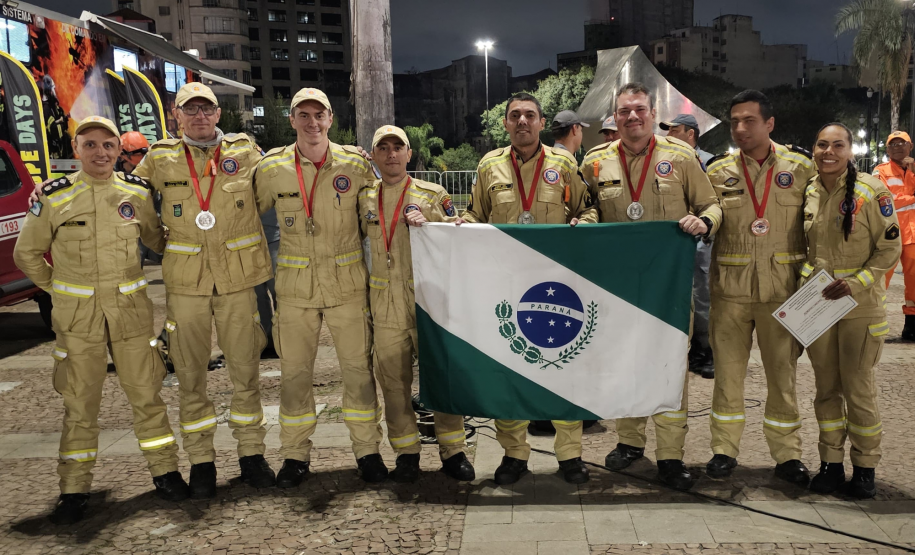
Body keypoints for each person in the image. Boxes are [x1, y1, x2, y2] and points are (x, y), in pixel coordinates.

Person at [14, 116, 188, 524]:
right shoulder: (54, 197)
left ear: (118, 151)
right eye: (90, 145)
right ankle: (74, 489)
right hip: (79, 319)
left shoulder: (136, 193)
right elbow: (27, 254)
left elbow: (156, 239)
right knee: (80, 404)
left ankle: (165, 472)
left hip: (129, 311)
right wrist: (58, 288)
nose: (100, 152)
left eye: (108, 145)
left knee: (147, 394)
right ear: (77, 150)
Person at [133, 83, 276, 497]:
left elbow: (275, 186)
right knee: (191, 376)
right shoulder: (159, 158)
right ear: (176, 115)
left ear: (218, 114)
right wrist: (170, 248)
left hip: (237, 280)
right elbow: (126, 196)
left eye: (207, 108)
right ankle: (202, 462)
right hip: (187, 284)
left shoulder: (245, 151)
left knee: (245, 373)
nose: (199, 116)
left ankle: (252, 456)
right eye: (190, 109)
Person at [580, 82, 722, 491]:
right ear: (615, 115)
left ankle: (672, 455)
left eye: (639, 109)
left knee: (671, 370)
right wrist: (585, 222)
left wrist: (705, 222)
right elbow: (585, 207)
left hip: (668, 288)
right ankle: (628, 442)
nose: (632, 117)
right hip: (617, 288)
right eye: (624, 111)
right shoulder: (595, 162)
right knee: (625, 365)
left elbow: (711, 204)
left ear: (652, 112)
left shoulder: (681, 156)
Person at [462, 92, 598, 485]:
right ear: (505, 124)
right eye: (515, 116)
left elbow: (588, 208)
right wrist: (462, 227)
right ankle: (514, 454)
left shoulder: (564, 163)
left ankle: (570, 455)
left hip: (556, 287)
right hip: (506, 289)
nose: (522, 121)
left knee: (564, 369)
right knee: (510, 373)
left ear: (541, 123)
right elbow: (475, 214)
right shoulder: (489, 166)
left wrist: (584, 226)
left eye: (530, 116)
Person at [253, 88, 385, 486]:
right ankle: (295, 456)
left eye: (319, 115)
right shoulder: (272, 167)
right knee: (294, 375)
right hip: (295, 289)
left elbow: (377, 217)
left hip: (347, 285)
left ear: (331, 119)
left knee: (358, 373)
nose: (312, 123)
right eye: (303, 115)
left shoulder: (357, 164)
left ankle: (368, 453)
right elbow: (245, 219)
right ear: (291, 119)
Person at [703, 89, 818, 485]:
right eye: (734, 121)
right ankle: (723, 451)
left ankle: (787, 455)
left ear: (769, 124)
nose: (739, 129)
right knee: (727, 377)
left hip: (783, 291)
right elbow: (704, 211)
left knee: (783, 378)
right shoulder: (718, 171)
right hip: (730, 291)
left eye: (749, 121)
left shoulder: (802, 166)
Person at [357, 124, 476, 483]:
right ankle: (406, 453)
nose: (391, 154)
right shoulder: (364, 197)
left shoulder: (432, 193)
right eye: (384, 148)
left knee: (441, 377)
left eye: (398, 147)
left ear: (409, 154)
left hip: (428, 300)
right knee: (393, 383)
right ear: (375, 155)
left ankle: (453, 451)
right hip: (384, 301)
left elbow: (457, 235)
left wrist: (431, 223)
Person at [802, 122, 901, 498]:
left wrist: (859, 281)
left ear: (850, 151)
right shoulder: (807, 191)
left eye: (837, 145)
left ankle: (865, 467)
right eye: (822, 144)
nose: (829, 152)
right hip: (820, 308)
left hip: (861, 309)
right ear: (814, 148)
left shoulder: (871, 192)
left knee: (858, 390)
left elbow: (888, 248)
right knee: (826, 390)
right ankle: (830, 464)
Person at [662, 114, 715, 379]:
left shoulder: (707, 161)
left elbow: (712, 202)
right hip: (676, 243)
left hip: (702, 241)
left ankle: (706, 350)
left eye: (675, 130)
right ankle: (691, 348)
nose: (669, 134)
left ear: (691, 134)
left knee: (702, 296)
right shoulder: (665, 160)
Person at [873, 131, 915, 340]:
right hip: (888, 234)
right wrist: (911, 197)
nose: (898, 146)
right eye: (893, 144)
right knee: (880, 281)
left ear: (911, 146)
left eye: (902, 143)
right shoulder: (880, 171)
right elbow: (883, 199)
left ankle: (911, 328)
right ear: (888, 149)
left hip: (913, 236)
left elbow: (896, 198)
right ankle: (872, 323)